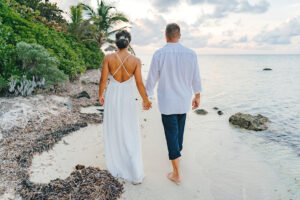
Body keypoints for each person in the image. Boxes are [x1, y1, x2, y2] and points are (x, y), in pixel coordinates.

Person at [146, 23, 202, 184]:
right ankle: (177, 160)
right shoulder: (191, 54)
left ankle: (176, 174)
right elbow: (195, 77)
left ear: (166, 36)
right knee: (178, 135)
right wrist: (197, 96)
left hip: (167, 102)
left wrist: (146, 97)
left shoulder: (159, 54)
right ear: (179, 36)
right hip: (183, 102)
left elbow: (152, 79)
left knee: (172, 136)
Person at [98, 30, 152, 184]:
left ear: (116, 42)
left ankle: (117, 164)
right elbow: (139, 83)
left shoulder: (108, 58)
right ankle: (133, 169)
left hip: (113, 95)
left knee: (114, 129)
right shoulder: (135, 60)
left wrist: (100, 95)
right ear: (129, 42)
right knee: (129, 129)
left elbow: (103, 80)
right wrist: (145, 100)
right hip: (127, 97)